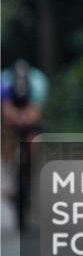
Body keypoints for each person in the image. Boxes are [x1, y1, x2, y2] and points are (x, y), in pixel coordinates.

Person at [1, 59, 48, 230]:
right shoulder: (5, 80)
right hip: (11, 122)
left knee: (36, 142)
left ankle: (33, 169)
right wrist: (15, 119)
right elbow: (6, 110)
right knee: (5, 137)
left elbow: (37, 109)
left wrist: (26, 119)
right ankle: (7, 171)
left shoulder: (37, 80)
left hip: (30, 121)